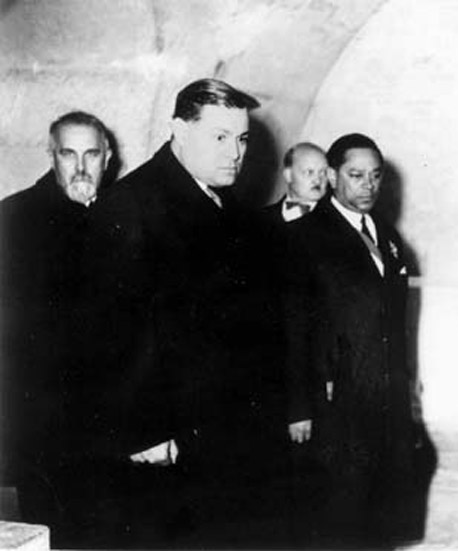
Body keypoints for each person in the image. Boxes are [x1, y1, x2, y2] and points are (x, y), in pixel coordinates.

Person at [75, 78, 288, 546]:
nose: (236, 153)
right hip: (169, 440)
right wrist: (143, 432)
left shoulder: (226, 204)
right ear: (179, 129)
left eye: (242, 138)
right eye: (220, 137)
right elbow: (109, 334)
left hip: (226, 432)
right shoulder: (130, 206)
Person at [285, 133, 415, 547]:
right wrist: (298, 407)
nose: (368, 185)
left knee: (380, 506)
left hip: (384, 396)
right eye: (356, 175)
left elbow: (393, 321)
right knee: (338, 510)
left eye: (375, 176)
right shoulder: (305, 236)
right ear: (331, 176)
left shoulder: (387, 235)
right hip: (334, 399)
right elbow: (293, 329)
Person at [0, 111, 113, 529]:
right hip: (47, 427)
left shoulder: (122, 212)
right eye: (68, 154)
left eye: (91, 154)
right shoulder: (15, 217)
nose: (81, 167)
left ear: (108, 157)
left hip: (111, 425)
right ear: (51, 156)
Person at [263, 141, 329, 225]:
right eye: (309, 172)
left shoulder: (335, 220)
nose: (318, 180)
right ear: (288, 175)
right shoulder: (260, 218)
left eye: (323, 173)